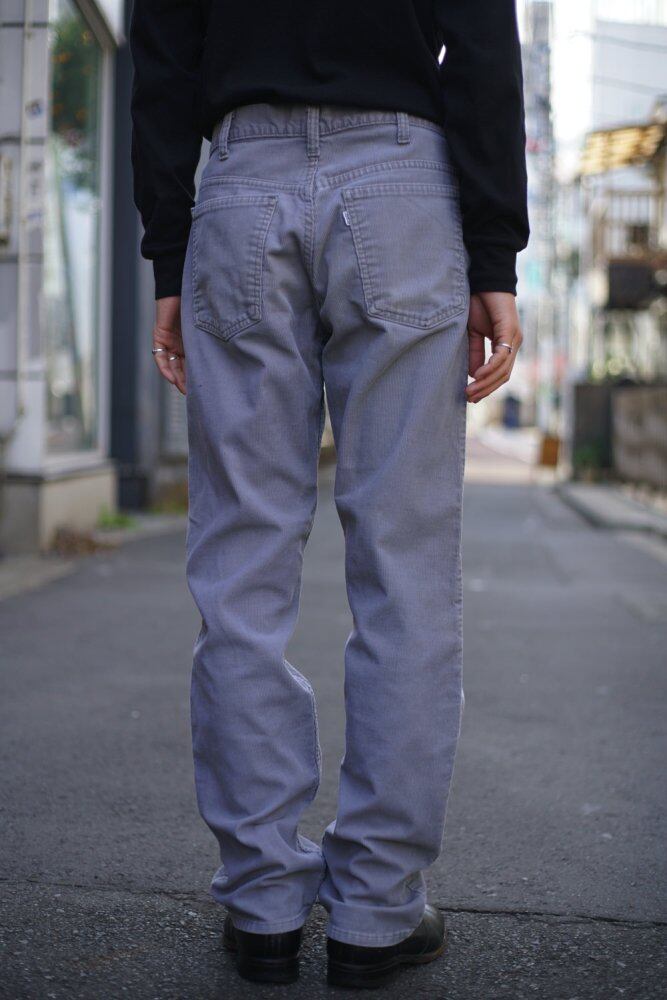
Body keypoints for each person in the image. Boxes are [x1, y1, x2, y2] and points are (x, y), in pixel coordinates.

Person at [130, 0, 528, 989]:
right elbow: (481, 41)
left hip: (241, 183)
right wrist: (492, 252)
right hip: (401, 182)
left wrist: (170, 253)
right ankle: (377, 910)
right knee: (405, 563)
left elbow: (163, 56)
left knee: (239, 565)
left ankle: (262, 900)